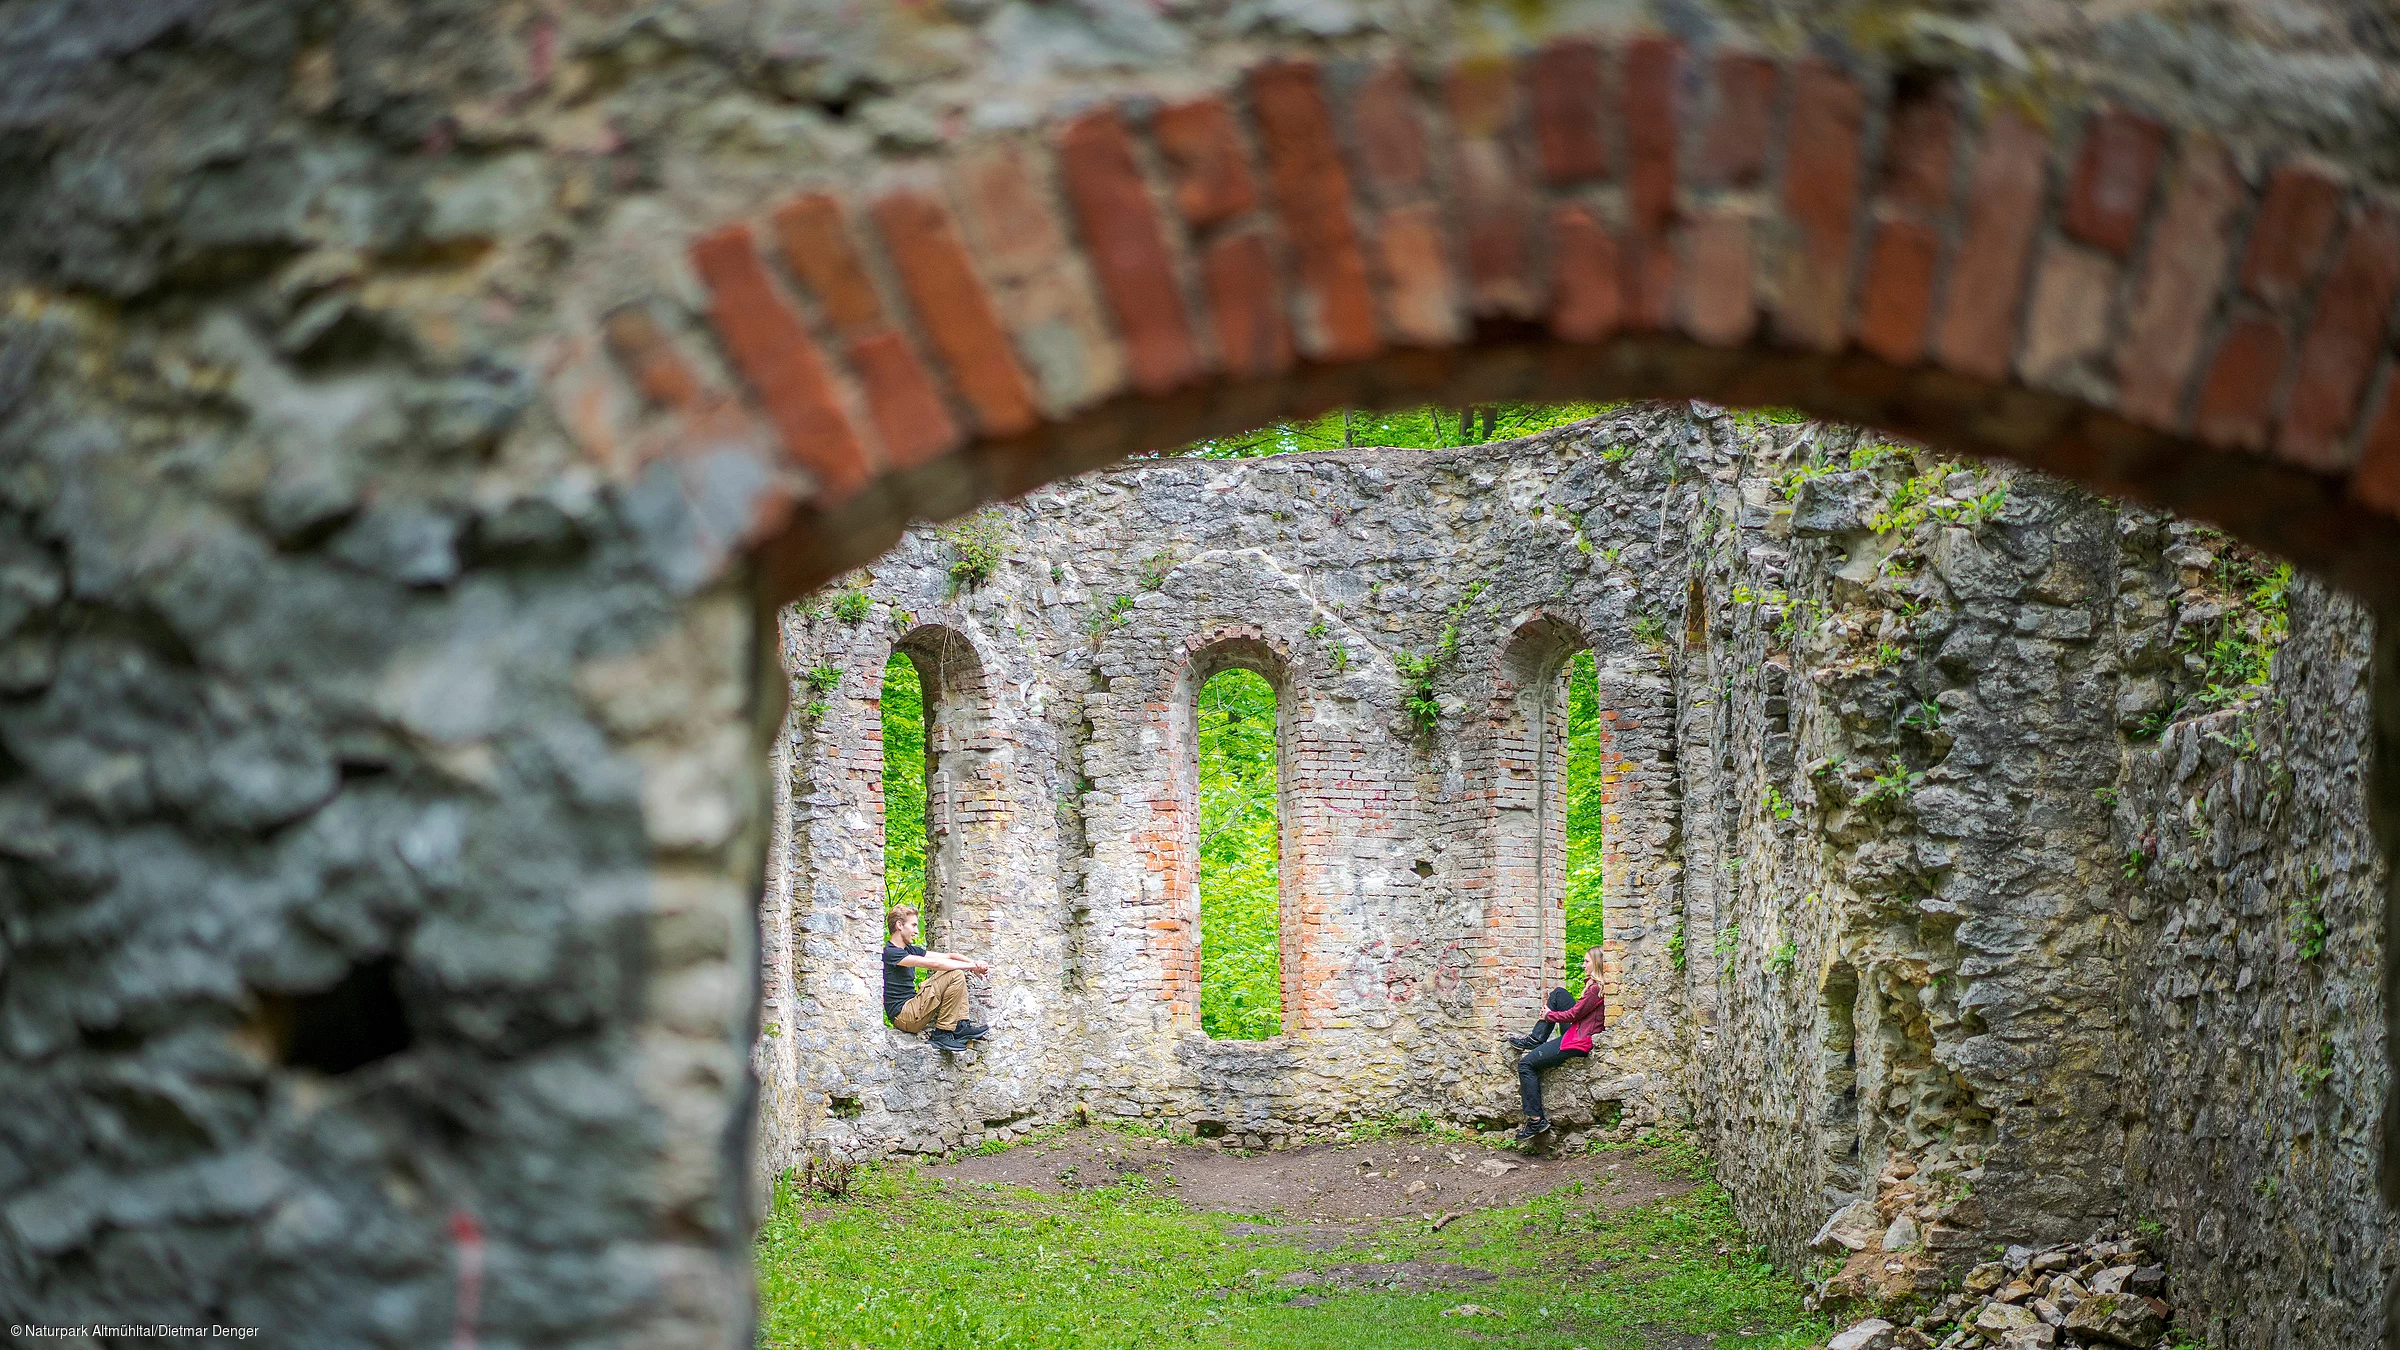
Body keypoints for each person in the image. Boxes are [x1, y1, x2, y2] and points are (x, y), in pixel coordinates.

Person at [1504, 947, 1607, 1142]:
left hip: (1579, 1040)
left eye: (1586, 961)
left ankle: (1536, 1120)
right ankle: (1536, 1038)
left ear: (1597, 963)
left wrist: (1549, 1015)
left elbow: (1574, 1014)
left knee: (1525, 1064)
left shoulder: (1595, 989)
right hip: (1578, 1030)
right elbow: (1577, 1013)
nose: (1583, 965)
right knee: (1559, 994)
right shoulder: (1593, 986)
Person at [882, 905, 992, 1052]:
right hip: (903, 1015)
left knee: (956, 971)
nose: (916, 931)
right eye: (913, 925)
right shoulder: (890, 953)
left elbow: (950, 956)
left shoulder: (909, 950)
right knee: (955, 974)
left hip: (913, 1009)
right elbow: (936, 964)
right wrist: (971, 967)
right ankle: (942, 1034)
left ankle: (960, 1025)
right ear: (899, 925)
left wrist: (975, 963)